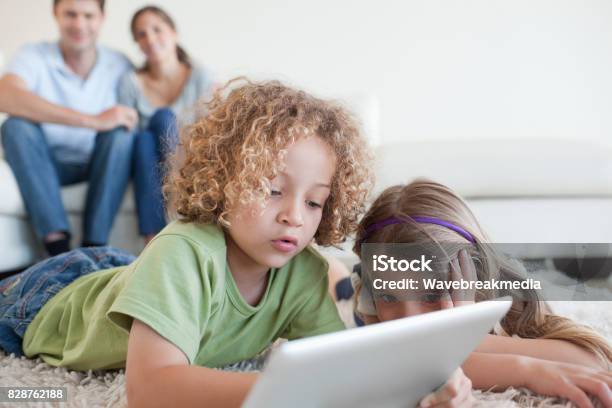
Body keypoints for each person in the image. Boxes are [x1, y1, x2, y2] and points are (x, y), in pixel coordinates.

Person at [0, 80, 471, 408]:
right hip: (50, 296)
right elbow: (152, 392)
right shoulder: (184, 252)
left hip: (132, 278)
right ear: (224, 181)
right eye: (272, 190)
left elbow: (348, 369)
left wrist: (423, 388)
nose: (293, 214)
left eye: (314, 203)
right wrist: (288, 394)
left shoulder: (303, 273)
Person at [351, 179, 612, 408]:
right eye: (387, 297)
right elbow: (405, 369)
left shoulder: (508, 304)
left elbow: (592, 362)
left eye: (431, 295)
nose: (408, 320)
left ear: (472, 278)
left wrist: (467, 333)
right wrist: (525, 370)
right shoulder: (370, 318)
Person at [0, 0, 137, 256]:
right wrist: (92, 120)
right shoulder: (33, 55)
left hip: (99, 165)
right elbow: (5, 95)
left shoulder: (120, 64)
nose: (79, 24)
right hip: (45, 164)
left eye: (88, 16)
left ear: (102, 18)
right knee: (15, 126)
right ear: (56, 14)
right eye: (70, 14)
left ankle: (93, 248)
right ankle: (58, 250)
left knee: (121, 135)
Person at [118, 5, 215, 243]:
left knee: (162, 119)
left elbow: (211, 130)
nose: (150, 39)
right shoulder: (130, 82)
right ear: (137, 43)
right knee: (143, 138)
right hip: (147, 166)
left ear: (173, 33)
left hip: (187, 159)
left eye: (156, 30)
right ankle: (156, 234)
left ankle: (157, 230)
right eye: (141, 34)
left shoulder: (200, 75)